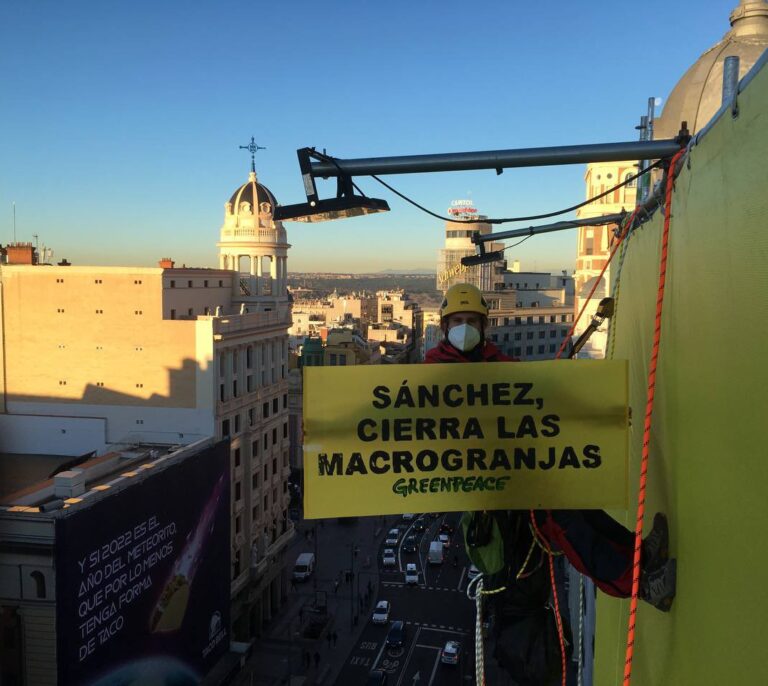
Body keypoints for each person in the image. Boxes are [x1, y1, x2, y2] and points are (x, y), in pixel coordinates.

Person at [426, 283, 676, 680]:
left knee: (578, 510)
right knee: (561, 524)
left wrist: (602, 412)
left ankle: (641, 554)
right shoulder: (429, 373)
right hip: (493, 493)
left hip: (523, 467)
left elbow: (543, 393)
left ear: (483, 325)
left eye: (471, 320)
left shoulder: (499, 364)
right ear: (444, 327)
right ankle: (640, 583)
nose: (465, 327)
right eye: (458, 321)